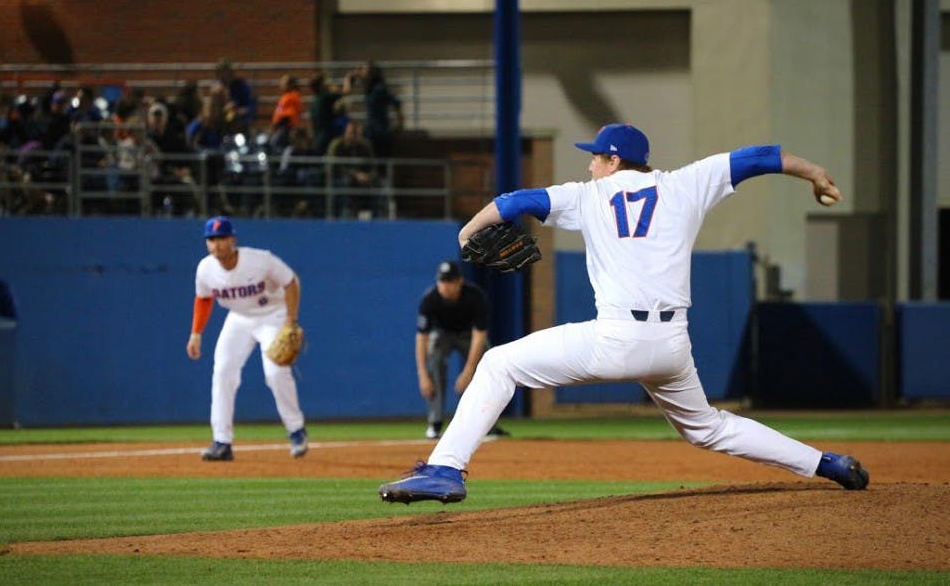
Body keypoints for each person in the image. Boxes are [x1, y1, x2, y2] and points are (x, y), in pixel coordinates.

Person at [379, 123, 869, 504]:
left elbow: (514, 202)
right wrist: (815, 174)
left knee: (498, 364)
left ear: (614, 160)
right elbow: (760, 157)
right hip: (672, 346)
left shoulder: (587, 195)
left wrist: (467, 233)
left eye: (595, 157)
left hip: (615, 340)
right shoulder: (685, 184)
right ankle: (829, 465)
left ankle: (445, 469)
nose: (591, 165)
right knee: (708, 427)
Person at [186, 216, 309, 460]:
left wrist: (291, 320)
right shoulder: (205, 269)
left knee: (275, 373)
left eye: (221, 238)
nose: (216, 244)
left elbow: (290, 282)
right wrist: (196, 333)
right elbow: (203, 299)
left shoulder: (259, 260)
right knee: (222, 372)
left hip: (273, 315)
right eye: (211, 239)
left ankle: (296, 430)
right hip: (239, 318)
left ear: (232, 239)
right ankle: (221, 442)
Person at [417, 260, 510, 440]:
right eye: (442, 281)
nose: (444, 286)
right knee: (434, 362)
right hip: (442, 335)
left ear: (459, 281)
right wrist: (422, 375)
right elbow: (422, 338)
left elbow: (479, 336)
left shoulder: (475, 296)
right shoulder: (430, 299)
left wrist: (468, 371)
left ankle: (488, 423)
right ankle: (434, 424)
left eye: (449, 281)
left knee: (490, 363)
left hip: (469, 336)